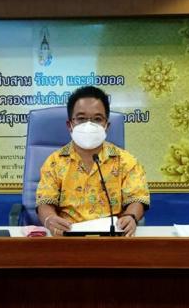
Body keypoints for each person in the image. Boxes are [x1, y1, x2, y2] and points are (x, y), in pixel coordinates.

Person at [36, 86, 150, 237]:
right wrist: (49, 219)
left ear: (107, 126)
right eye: (81, 118)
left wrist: (131, 216)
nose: (89, 125)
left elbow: (137, 199)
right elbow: (45, 202)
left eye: (97, 119)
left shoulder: (126, 161)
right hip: (68, 238)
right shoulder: (54, 162)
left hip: (112, 238)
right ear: (70, 125)